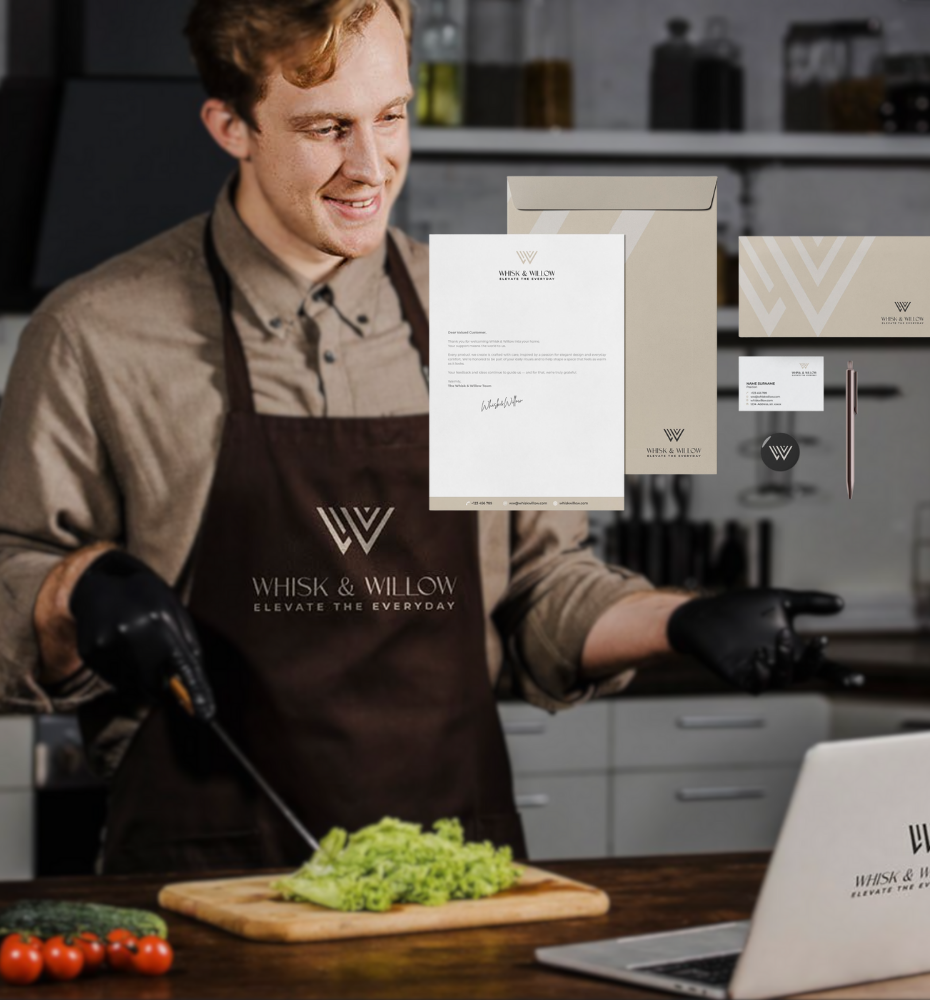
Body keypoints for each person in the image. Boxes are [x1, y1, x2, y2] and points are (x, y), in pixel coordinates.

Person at [0, 0, 843, 874]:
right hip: (203, 876)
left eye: (393, 116)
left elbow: (546, 588)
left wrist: (684, 619)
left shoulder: (512, 313)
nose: (372, 165)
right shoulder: (95, 333)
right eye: (328, 128)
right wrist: (71, 592)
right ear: (231, 126)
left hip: (455, 872)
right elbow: (11, 582)